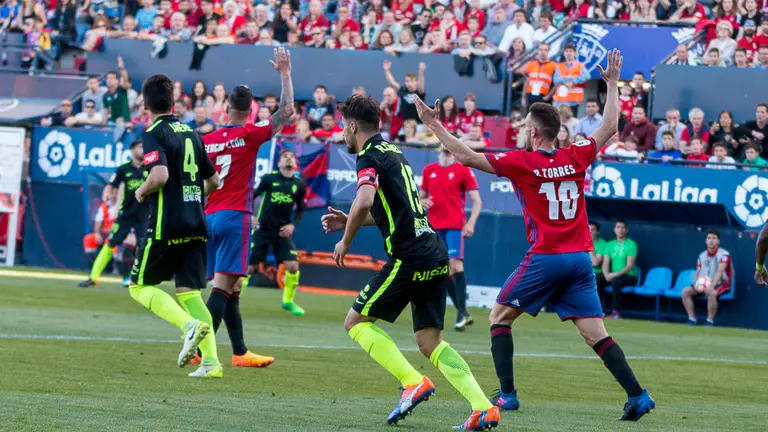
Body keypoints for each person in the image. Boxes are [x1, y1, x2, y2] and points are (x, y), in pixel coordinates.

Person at [414, 48, 655, 421]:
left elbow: (467, 157)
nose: (523, 131)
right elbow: (609, 127)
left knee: (498, 317)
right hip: (579, 259)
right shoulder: (575, 155)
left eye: (526, 126)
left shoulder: (522, 162)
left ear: (534, 131)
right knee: (595, 333)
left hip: (546, 257)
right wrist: (610, 85)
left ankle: (507, 395)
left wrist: (434, 125)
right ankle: (638, 395)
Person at [322, 95, 500, 431]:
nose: (342, 132)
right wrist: (349, 219)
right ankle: (483, 407)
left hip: (410, 256)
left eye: (343, 126)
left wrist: (346, 238)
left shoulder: (368, 156)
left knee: (355, 322)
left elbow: (365, 200)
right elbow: (391, 210)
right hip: (434, 251)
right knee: (429, 342)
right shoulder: (394, 152)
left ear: (352, 126)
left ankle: (411, 382)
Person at [196, 47, 294, 368]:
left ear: (226, 107)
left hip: (209, 216)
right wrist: (284, 73)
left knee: (233, 285)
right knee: (224, 285)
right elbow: (287, 111)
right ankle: (198, 346)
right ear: (251, 109)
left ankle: (240, 353)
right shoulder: (250, 134)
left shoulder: (207, 140)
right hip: (235, 215)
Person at [129, 74, 222, 378]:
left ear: (145, 104)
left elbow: (159, 176)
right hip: (196, 222)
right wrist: (190, 196)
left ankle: (188, 326)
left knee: (139, 286)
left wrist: (141, 192)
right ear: (173, 102)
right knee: (190, 293)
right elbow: (213, 181)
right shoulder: (192, 133)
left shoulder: (153, 132)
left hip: (166, 225)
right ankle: (211, 364)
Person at [420, 145, 482, 331]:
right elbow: (420, 197)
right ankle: (463, 313)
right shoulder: (429, 170)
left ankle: (462, 313)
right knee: (443, 271)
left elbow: (477, 200)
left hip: (455, 225)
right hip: (434, 227)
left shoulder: (463, 169)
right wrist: (422, 202)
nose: (445, 147)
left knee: (456, 265)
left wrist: (470, 223)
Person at [79, 140, 149, 288]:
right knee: (111, 243)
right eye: (140, 147)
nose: (143, 150)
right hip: (126, 214)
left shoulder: (150, 168)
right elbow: (111, 185)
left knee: (143, 246)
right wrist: (108, 195)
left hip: (144, 214)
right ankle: (93, 277)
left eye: (144, 147)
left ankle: (138, 279)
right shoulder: (123, 169)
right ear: (132, 150)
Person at [250, 149, 307, 316]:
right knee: (249, 268)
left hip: (281, 232)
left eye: (291, 156)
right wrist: (251, 216)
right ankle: (233, 299)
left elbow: (301, 210)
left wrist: (292, 225)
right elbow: (252, 196)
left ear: (295, 164)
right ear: (279, 163)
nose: (288, 158)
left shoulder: (299, 184)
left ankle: (288, 301)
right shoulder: (269, 179)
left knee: (292, 266)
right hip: (262, 230)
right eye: (285, 156)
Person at [681, 231, 732, 327]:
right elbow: (698, 271)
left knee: (711, 293)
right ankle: (692, 319)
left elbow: (720, 272)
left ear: (718, 241)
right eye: (709, 238)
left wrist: (711, 287)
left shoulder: (724, 255)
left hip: (722, 283)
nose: (711, 240)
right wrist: (696, 283)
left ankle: (709, 321)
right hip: (705, 282)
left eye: (714, 238)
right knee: (685, 291)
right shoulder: (701, 256)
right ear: (706, 241)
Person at [601, 220, 639, 319]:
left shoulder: (631, 244)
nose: (620, 230)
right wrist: (606, 274)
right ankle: (598, 311)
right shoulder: (609, 244)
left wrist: (613, 275)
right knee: (596, 280)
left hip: (630, 276)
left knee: (616, 281)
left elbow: (630, 265)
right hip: (612, 275)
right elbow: (605, 262)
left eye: (623, 227)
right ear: (614, 229)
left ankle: (616, 312)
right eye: (618, 227)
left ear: (627, 230)